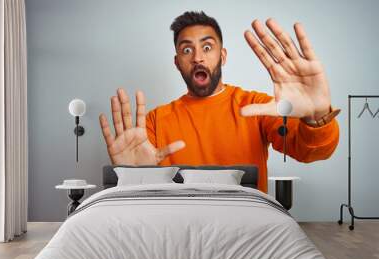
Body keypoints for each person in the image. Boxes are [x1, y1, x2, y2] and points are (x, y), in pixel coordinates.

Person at [99, 11, 340, 193]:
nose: (197, 57)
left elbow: (310, 152)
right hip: (178, 233)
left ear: (222, 56)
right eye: (186, 50)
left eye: (207, 47)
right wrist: (132, 175)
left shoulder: (257, 106)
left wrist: (316, 117)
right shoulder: (155, 121)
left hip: (246, 232)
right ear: (177, 63)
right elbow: (145, 197)